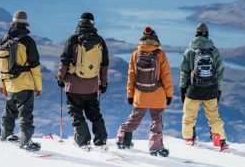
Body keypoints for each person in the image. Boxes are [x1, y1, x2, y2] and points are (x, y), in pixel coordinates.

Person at [116, 26, 173, 157]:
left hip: (140, 94)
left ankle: (123, 141)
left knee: (134, 118)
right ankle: (156, 149)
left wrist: (130, 94)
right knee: (157, 120)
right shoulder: (160, 55)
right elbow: (166, 77)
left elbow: (131, 77)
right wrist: (169, 95)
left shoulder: (135, 54)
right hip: (157, 94)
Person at [57, 12, 109, 150]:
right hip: (92, 86)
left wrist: (61, 78)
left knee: (76, 114)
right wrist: (103, 84)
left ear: (79, 22)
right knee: (94, 113)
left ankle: (84, 142)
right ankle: (101, 141)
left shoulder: (73, 39)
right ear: (93, 23)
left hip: (74, 86)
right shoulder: (100, 40)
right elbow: (104, 65)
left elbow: (64, 61)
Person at [0, 10, 42, 151]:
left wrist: (2, 84)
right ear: (26, 23)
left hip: (8, 82)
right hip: (24, 83)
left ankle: (5, 134)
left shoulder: (4, 39)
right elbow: (35, 66)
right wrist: (38, 87)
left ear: (13, 22)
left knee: (10, 109)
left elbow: (0, 65)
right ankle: (26, 142)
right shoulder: (28, 41)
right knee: (25, 113)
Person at [180, 22, 228, 151]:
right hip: (211, 89)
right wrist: (219, 90)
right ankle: (219, 141)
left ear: (196, 34)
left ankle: (189, 139)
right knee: (213, 117)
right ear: (207, 35)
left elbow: (184, 72)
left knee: (189, 115)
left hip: (193, 89)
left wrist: (182, 89)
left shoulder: (189, 50)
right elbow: (220, 72)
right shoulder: (214, 51)